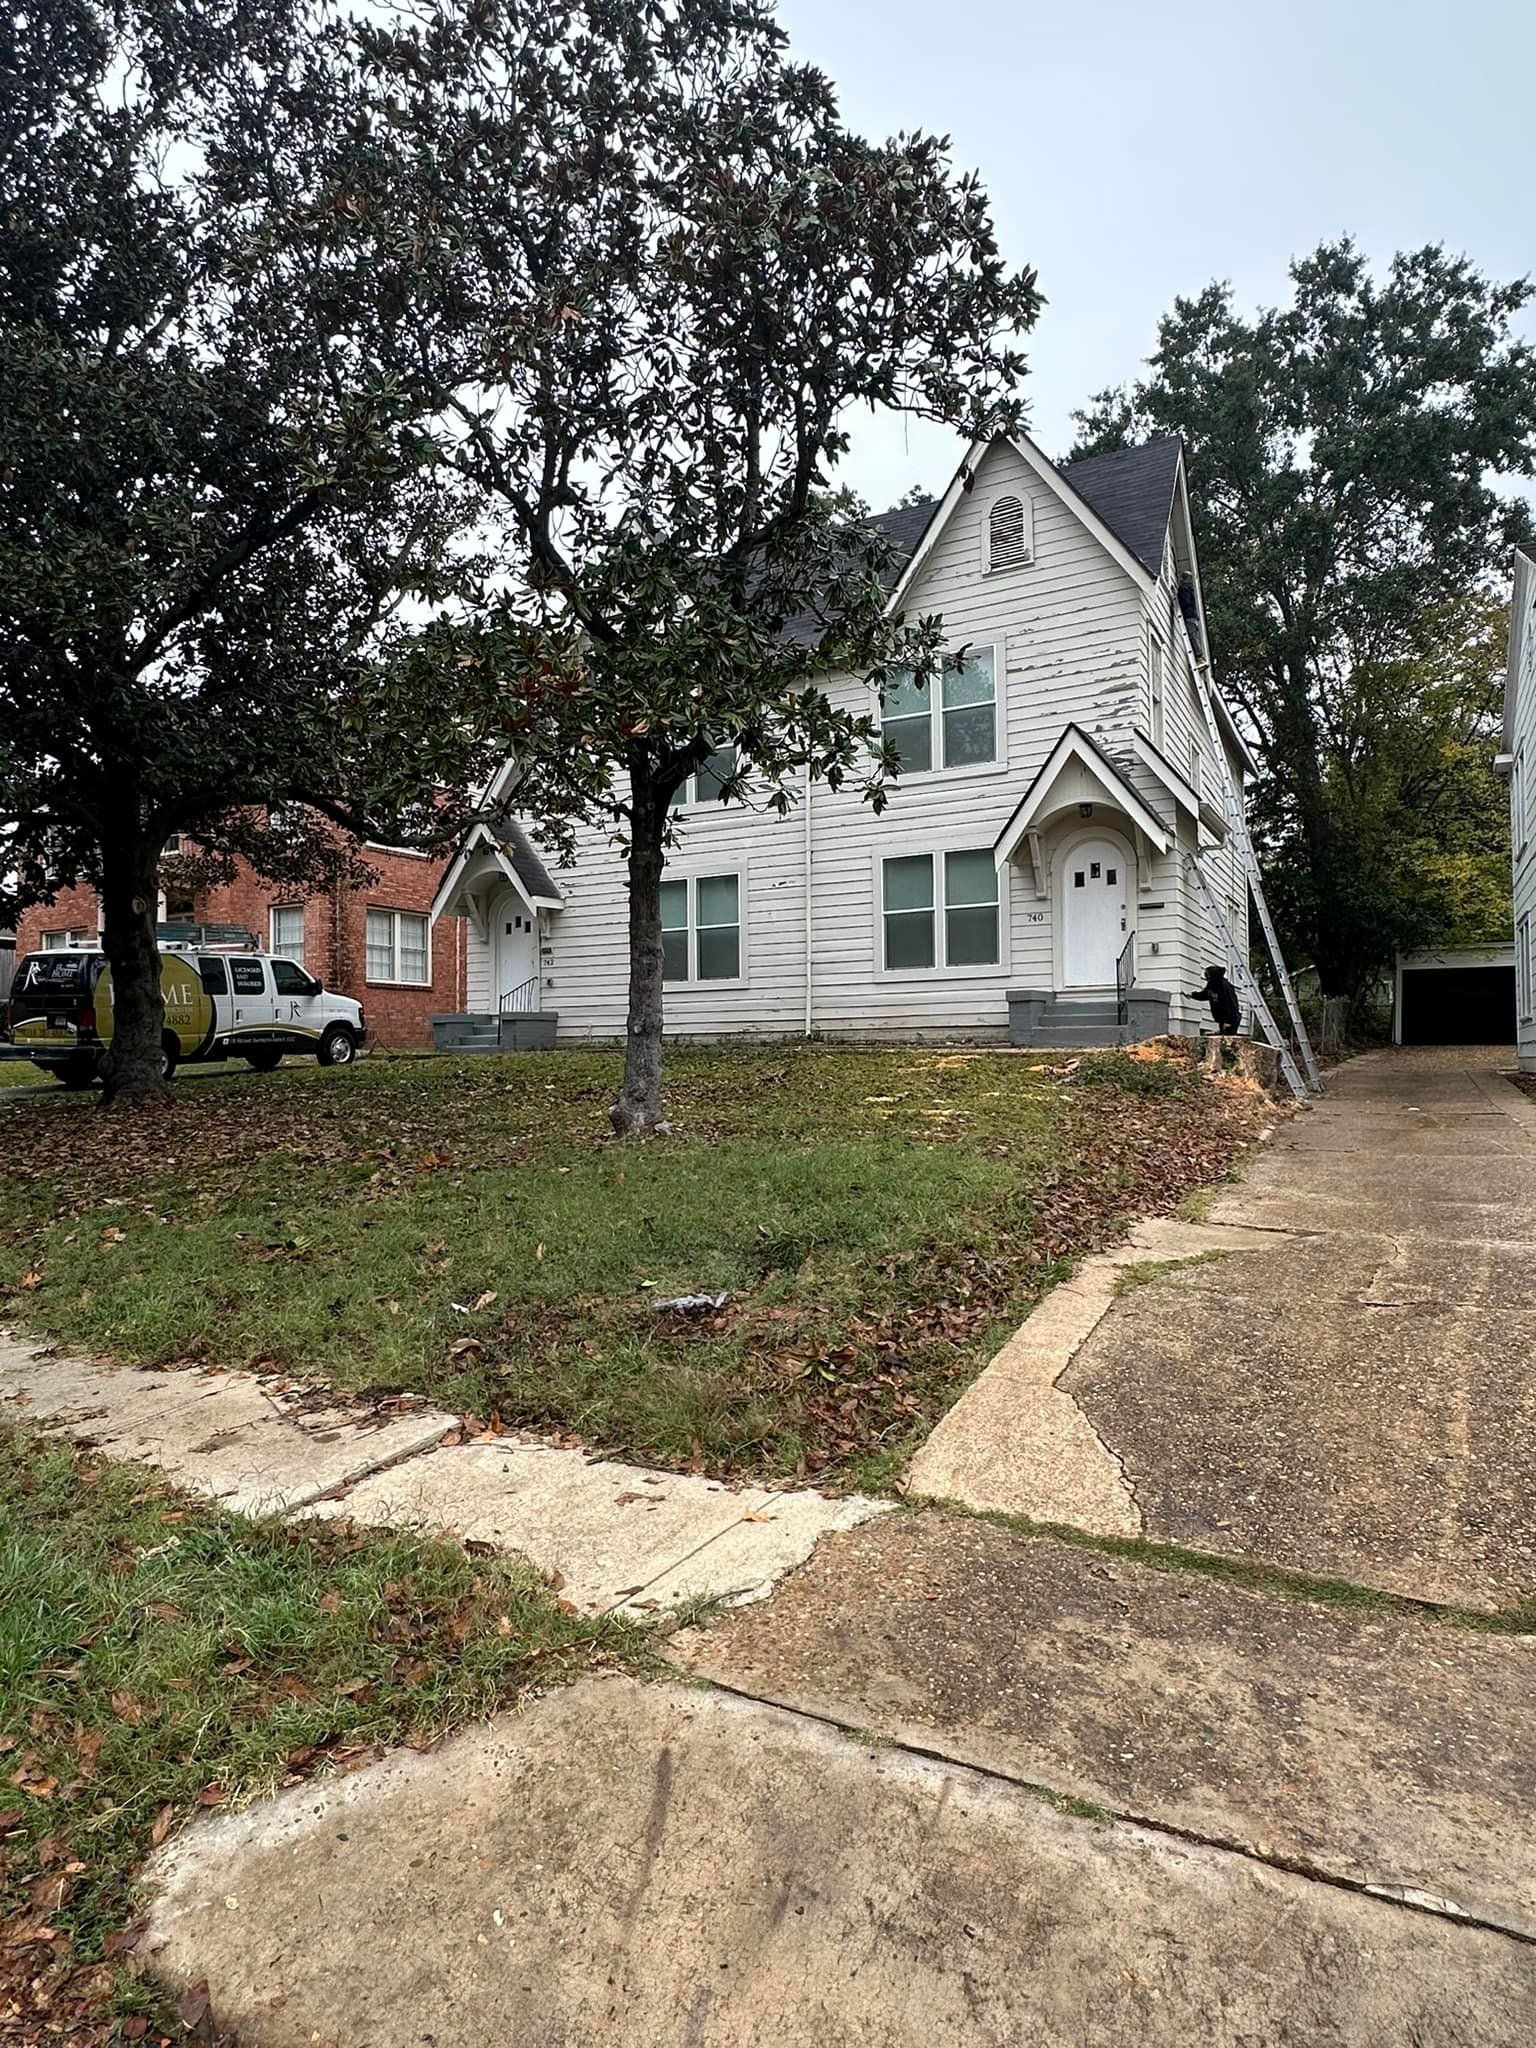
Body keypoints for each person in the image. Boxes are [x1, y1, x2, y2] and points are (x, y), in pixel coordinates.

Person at [1188, 964, 1242, 1036]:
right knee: (1222, 1037)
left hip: (1231, 1018)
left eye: (1207, 975)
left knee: (1228, 1039)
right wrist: (1192, 995)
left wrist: (1228, 1021)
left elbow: (1231, 1004)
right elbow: (1205, 995)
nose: (1206, 977)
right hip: (1222, 1019)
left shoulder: (1225, 986)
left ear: (1213, 975)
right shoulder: (1211, 985)